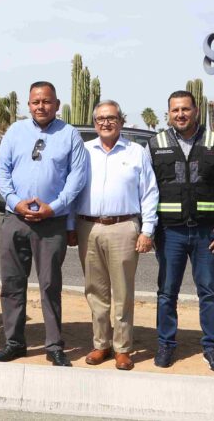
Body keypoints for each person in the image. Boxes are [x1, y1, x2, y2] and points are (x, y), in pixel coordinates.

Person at [0, 81, 89, 367]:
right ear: (29, 104)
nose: (41, 106)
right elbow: (2, 169)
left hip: (52, 223)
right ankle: (14, 342)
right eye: (36, 102)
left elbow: (77, 179)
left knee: (49, 284)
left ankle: (54, 345)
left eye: (46, 101)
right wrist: (13, 201)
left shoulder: (69, 135)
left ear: (57, 104)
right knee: (11, 283)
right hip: (16, 219)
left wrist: (55, 207)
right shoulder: (15, 131)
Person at [149, 90, 214, 372]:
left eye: (185, 109)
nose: (180, 115)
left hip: (206, 233)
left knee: (209, 292)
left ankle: (211, 347)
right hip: (169, 233)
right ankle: (166, 344)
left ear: (196, 111)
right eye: (175, 110)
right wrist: (149, 228)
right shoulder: (156, 144)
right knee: (166, 292)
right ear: (169, 113)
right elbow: (148, 192)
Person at [75, 100, 158, 371]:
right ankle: (101, 344)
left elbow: (149, 192)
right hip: (89, 227)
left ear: (121, 121)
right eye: (100, 119)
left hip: (124, 227)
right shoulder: (83, 151)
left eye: (111, 118)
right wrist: (68, 226)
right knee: (95, 291)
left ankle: (123, 348)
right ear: (94, 122)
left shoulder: (136, 152)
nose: (105, 123)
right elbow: (72, 188)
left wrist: (147, 230)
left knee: (122, 292)